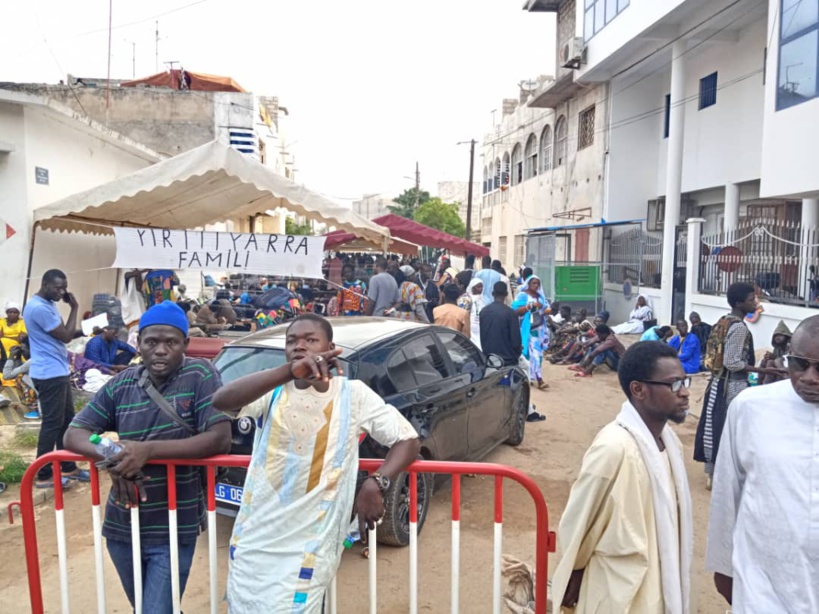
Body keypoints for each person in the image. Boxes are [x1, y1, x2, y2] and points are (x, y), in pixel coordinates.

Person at [211, 314, 420, 613]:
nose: (299, 346)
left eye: (310, 340)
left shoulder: (352, 395)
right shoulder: (272, 391)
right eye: (292, 341)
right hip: (256, 540)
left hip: (310, 545)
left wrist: (378, 482)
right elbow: (222, 400)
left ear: (330, 349)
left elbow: (408, 440)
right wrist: (288, 372)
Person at [64, 301, 231, 614]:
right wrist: (114, 455)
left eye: (171, 342)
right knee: (146, 608)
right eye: (151, 342)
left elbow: (219, 437)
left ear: (186, 344)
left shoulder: (200, 374)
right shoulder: (123, 383)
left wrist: (148, 450)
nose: (161, 350)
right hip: (122, 523)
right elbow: (75, 433)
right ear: (139, 343)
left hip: (173, 523)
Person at [551, 341, 693, 613]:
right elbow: (580, 521)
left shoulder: (670, 443)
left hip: (664, 582)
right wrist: (575, 570)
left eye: (685, 382)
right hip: (621, 591)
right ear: (638, 390)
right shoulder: (614, 448)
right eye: (674, 384)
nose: (685, 392)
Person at [706, 315, 819, 612]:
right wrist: (723, 566)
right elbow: (727, 491)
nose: (809, 377)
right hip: (763, 584)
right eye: (799, 364)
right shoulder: (751, 407)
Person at [694, 282, 783, 489]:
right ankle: (726, 474)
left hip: (717, 382)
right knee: (732, 428)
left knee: (714, 425)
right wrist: (764, 371)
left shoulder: (723, 321)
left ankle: (711, 473)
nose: (755, 303)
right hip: (732, 386)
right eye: (751, 300)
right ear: (738, 303)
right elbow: (732, 363)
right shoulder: (740, 328)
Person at [22, 269, 89, 489]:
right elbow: (66, 337)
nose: (62, 292)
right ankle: (43, 474)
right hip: (49, 374)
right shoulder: (39, 308)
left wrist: (87, 330)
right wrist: (75, 307)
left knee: (67, 420)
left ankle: (68, 466)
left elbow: (60, 335)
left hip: (56, 371)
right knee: (52, 424)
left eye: (64, 288)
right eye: (58, 288)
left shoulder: (47, 304)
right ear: (45, 285)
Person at [512, 275, 550, 389]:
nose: (536, 285)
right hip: (527, 329)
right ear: (528, 283)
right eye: (534, 283)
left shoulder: (540, 297)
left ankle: (532, 376)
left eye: (538, 283)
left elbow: (544, 310)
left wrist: (549, 309)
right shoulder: (523, 296)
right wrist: (529, 307)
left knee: (537, 355)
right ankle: (539, 379)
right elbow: (515, 310)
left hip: (539, 329)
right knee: (530, 354)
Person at [758, 320, 791, 385]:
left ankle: (766, 384)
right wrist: (770, 357)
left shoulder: (790, 345)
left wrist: (774, 358)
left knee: (770, 363)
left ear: (786, 336)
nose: (777, 338)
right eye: (775, 336)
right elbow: (775, 357)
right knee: (764, 361)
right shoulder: (777, 348)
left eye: (780, 335)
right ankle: (758, 384)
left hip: (789, 368)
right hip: (778, 367)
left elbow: (786, 360)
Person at [464, 278, 485, 348]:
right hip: (471, 326)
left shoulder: (482, 299)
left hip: (480, 327)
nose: (481, 289)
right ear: (472, 288)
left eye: (481, 287)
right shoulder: (467, 299)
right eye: (478, 287)